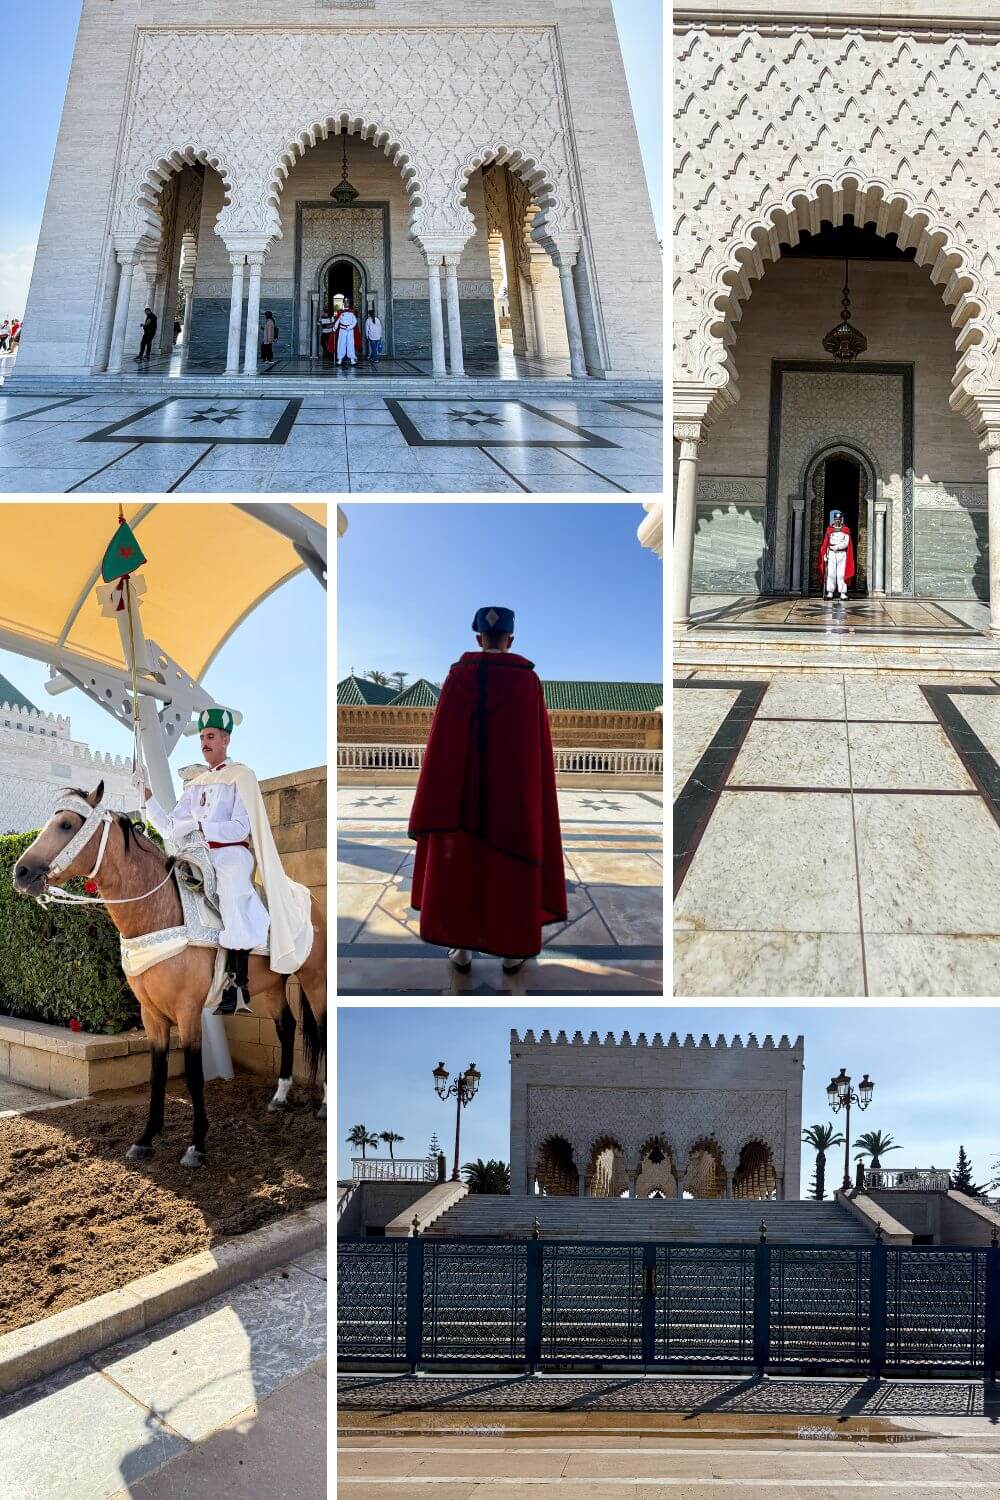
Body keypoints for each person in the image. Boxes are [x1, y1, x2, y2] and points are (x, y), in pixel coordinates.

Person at [408, 606, 567, 976]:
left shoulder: (459, 676)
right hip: (512, 801)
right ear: (510, 640)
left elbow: (442, 743)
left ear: (478, 638)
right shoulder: (528, 681)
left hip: (461, 800)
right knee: (509, 870)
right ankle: (513, 953)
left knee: (461, 868)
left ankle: (460, 949)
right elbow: (535, 750)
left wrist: (440, 794)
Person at [145, 707, 313, 1015]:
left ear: (225, 739)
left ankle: (238, 986)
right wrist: (147, 798)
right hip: (200, 854)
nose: (204, 743)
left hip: (232, 854)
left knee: (232, 892)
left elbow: (240, 827)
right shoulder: (195, 785)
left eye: (210, 737)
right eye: (202, 737)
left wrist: (200, 827)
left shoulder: (242, 777)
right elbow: (169, 827)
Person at [817, 508, 855, 602]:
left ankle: (843, 593)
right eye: (836, 519)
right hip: (831, 554)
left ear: (841, 519)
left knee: (841, 573)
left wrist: (837, 547)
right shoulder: (830, 529)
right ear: (834, 520)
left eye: (839, 519)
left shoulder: (846, 530)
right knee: (831, 573)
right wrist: (825, 554)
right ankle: (830, 592)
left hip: (842, 553)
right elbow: (826, 543)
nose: (837, 521)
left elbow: (846, 543)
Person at [333, 299, 359, 367]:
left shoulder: (352, 312)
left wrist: (350, 327)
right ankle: (340, 359)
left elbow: (355, 321)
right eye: (345, 303)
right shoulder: (340, 312)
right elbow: (337, 321)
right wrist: (335, 328)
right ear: (343, 304)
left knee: (350, 344)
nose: (346, 304)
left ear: (349, 304)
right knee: (341, 344)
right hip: (342, 330)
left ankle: (352, 359)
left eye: (347, 303)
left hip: (350, 331)